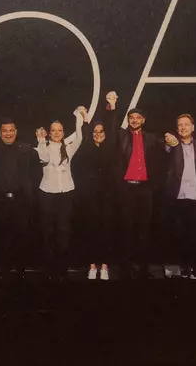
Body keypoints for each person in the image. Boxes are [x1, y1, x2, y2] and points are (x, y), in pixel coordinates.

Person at [0, 117, 41, 281]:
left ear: (16, 132)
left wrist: (28, 192)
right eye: (5, 131)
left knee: (21, 236)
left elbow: (37, 174)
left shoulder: (27, 150)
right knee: (1, 236)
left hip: (21, 201)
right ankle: (3, 270)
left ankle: (20, 270)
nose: (8, 134)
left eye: (11, 130)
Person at [113, 99, 164, 280]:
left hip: (145, 189)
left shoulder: (151, 138)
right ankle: (125, 269)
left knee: (144, 231)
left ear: (143, 120)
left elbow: (164, 153)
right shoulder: (121, 136)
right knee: (126, 230)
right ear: (128, 120)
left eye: (138, 117)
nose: (134, 120)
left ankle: (143, 269)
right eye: (131, 117)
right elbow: (112, 125)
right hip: (127, 189)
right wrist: (112, 107)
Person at [36, 106, 87, 281]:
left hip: (66, 194)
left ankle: (62, 269)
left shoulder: (69, 148)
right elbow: (43, 158)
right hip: (47, 194)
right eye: (53, 130)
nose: (57, 133)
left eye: (59, 130)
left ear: (64, 132)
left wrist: (78, 116)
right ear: (49, 133)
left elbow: (80, 136)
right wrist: (41, 140)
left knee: (63, 232)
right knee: (48, 232)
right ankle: (49, 270)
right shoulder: (43, 146)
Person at [73, 92, 118, 281]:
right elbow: (85, 131)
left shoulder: (111, 146)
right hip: (90, 197)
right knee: (90, 229)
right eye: (95, 132)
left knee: (106, 230)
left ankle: (104, 266)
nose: (98, 134)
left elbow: (112, 125)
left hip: (107, 197)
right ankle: (92, 266)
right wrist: (83, 116)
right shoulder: (86, 148)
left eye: (101, 131)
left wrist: (112, 106)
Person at [163, 114, 196, 280]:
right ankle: (180, 269)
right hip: (177, 194)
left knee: (195, 234)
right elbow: (164, 153)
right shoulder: (172, 144)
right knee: (178, 233)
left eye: (186, 124)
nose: (183, 127)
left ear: (193, 127)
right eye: (180, 125)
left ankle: (195, 269)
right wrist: (168, 144)